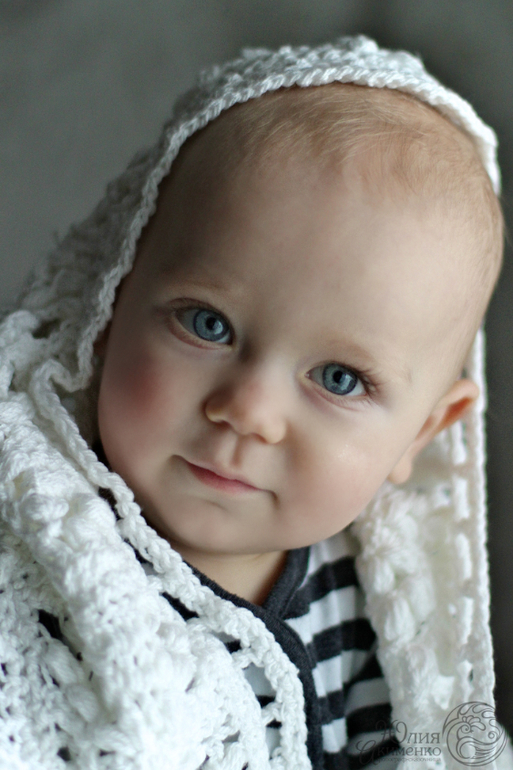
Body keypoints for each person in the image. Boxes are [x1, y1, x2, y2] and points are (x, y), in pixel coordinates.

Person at [0, 36, 510, 770]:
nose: (248, 411)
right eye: (207, 325)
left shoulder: (369, 598)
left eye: (339, 379)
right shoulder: (40, 581)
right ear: (108, 310)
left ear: (420, 434)